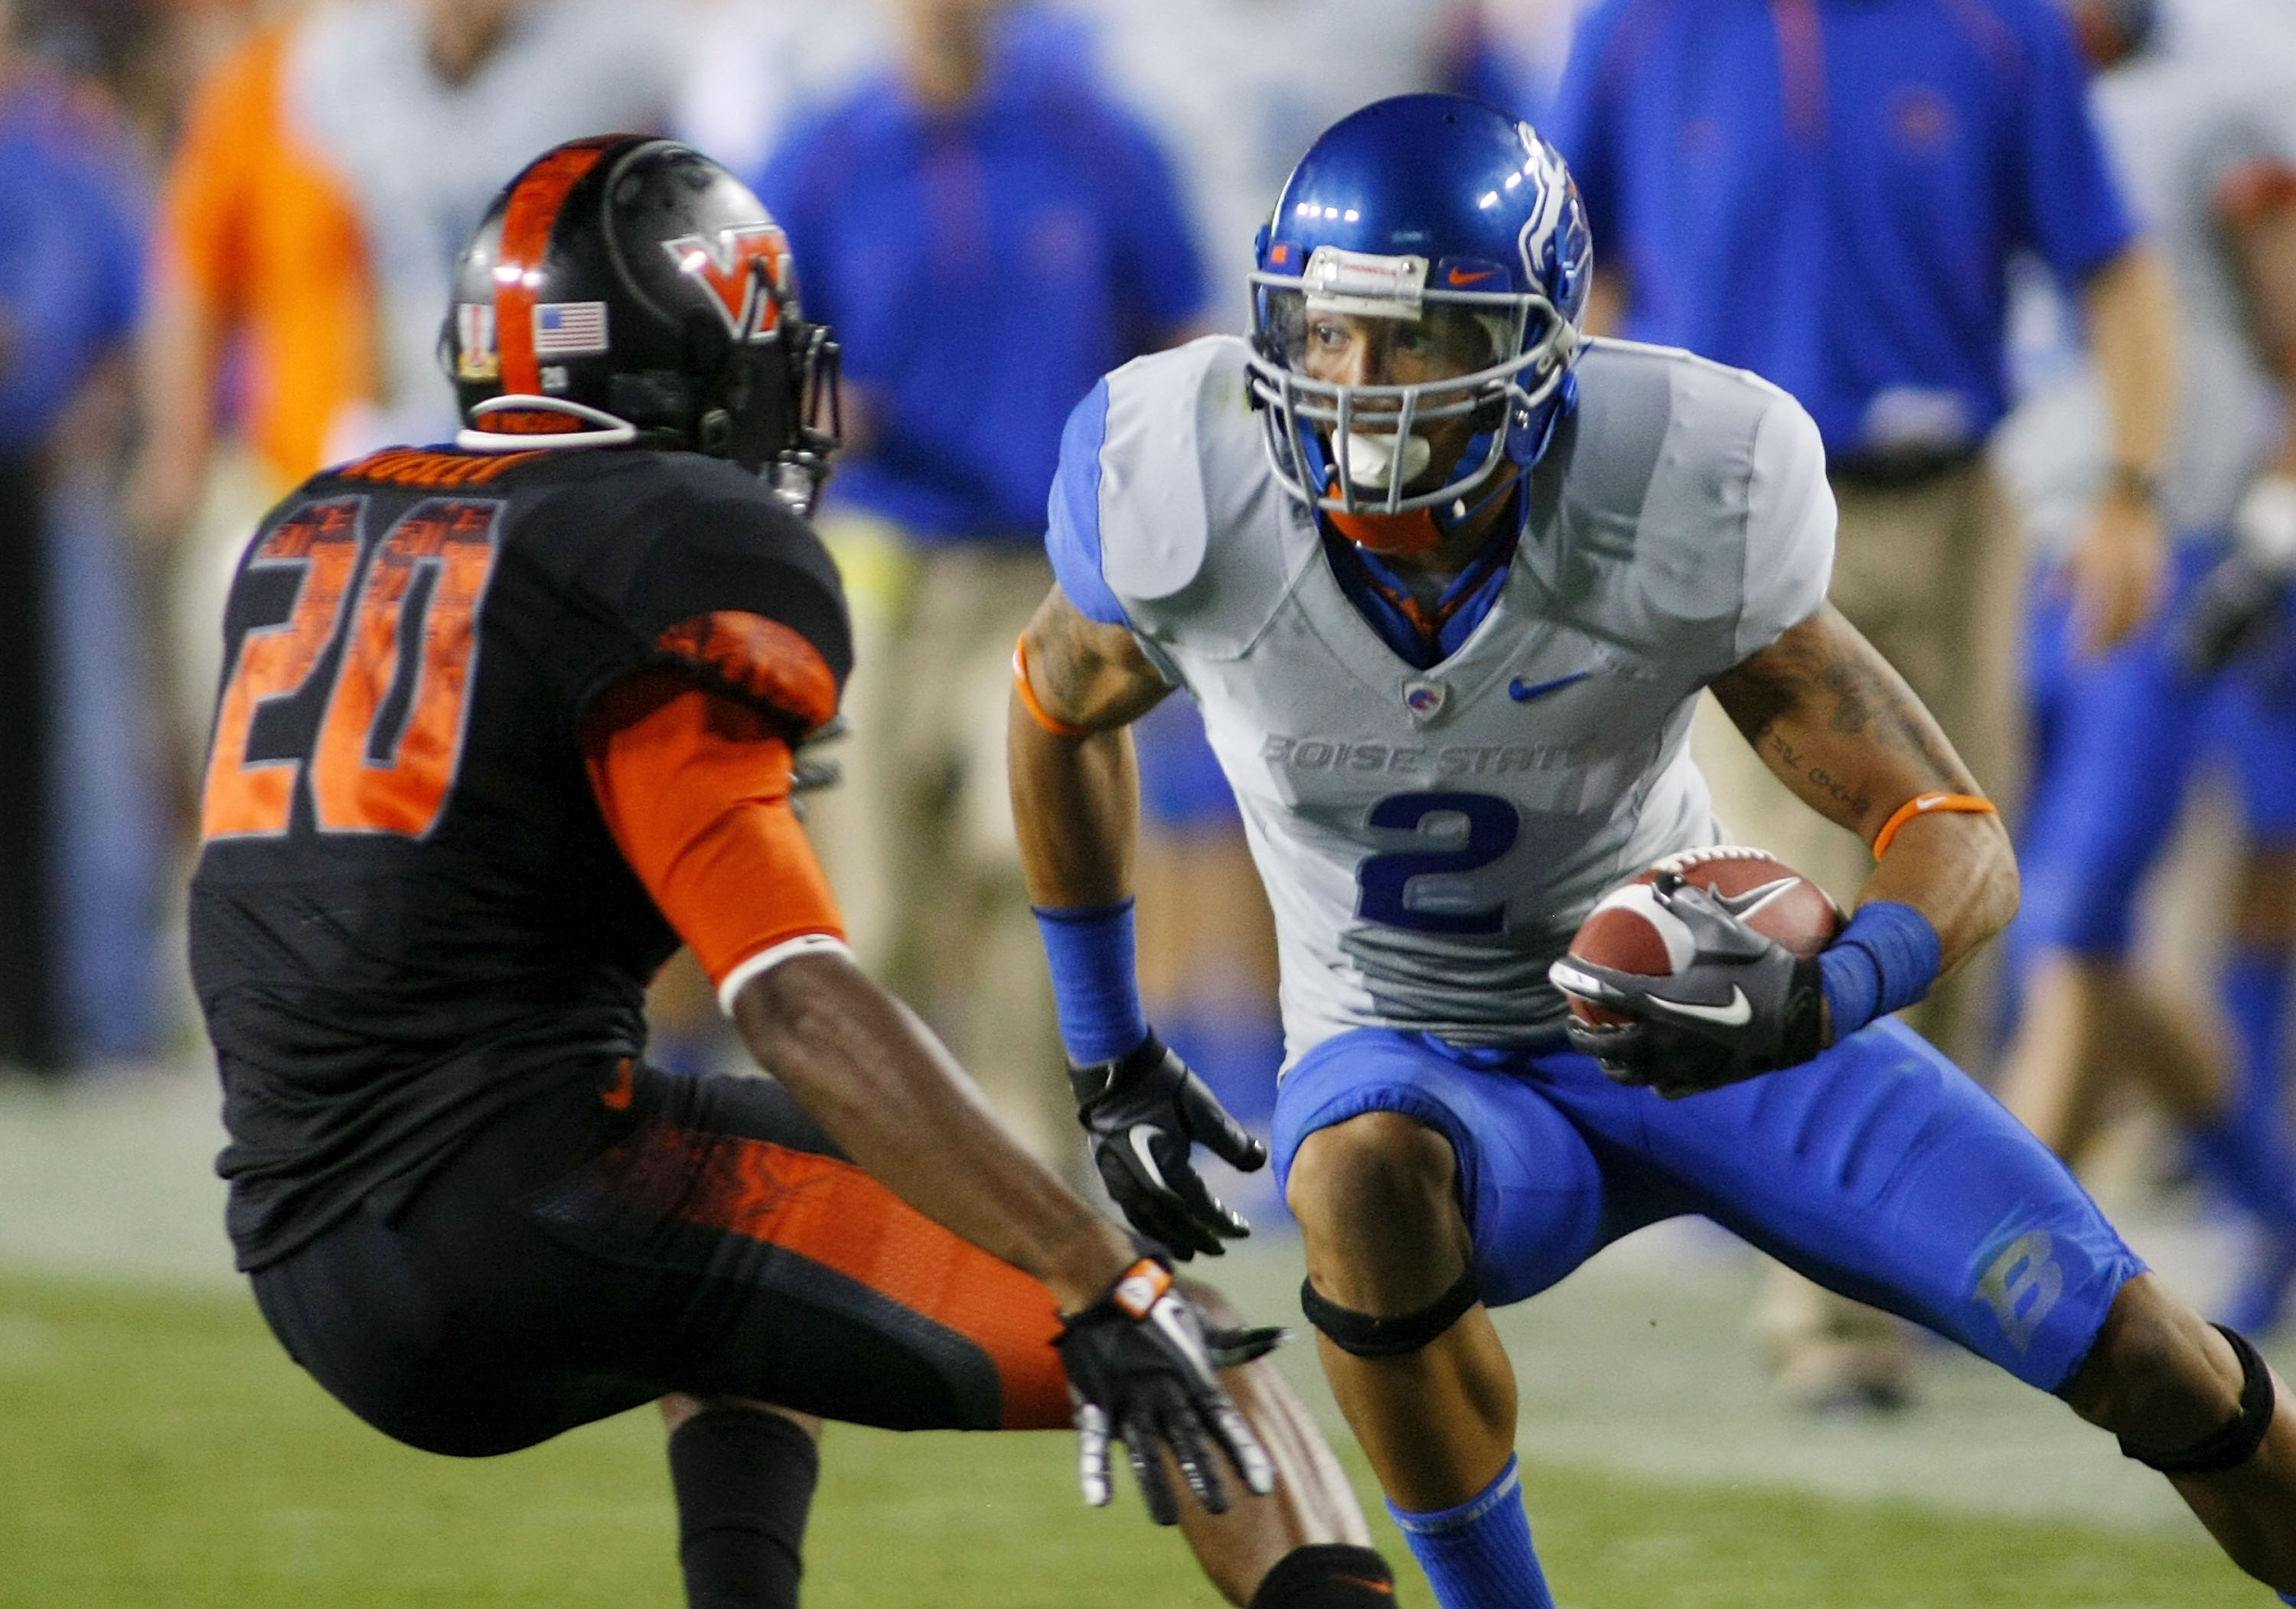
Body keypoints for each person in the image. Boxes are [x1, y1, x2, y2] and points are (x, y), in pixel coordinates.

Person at [1009, 95, 2296, 1608]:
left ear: (1539, 351)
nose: (1359, 388)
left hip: (1712, 1021)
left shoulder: (1670, 478)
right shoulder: (1191, 484)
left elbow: (1952, 836)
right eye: (1327, 333)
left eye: (1419, 339)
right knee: (1354, 1172)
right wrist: (1110, 1054)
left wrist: (1826, 990)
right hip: (1416, 1056)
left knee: (2150, 1358)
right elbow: (1051, 710)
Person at [186, 135, 1396, 1609]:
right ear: (693, 357)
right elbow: (795, 1000)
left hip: (303, 1251)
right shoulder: (660, 543)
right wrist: (1095, 1269)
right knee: (1189, 1346)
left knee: (749, 1189)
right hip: (521, 1206)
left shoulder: (315, 526)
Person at [1541, 0, 2181, 1406]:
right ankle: (1826, 1321)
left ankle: (1910, 1262)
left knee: (1953, 887)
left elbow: (2114, 266)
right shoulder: (1640, 29)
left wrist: (2134, 489)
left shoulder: (2001, 27)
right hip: (1724, 516)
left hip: (1950, 512)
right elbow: (1569, 277)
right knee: (1796, 894)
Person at [752, 0, 1213, 1161]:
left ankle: (1034, 1159)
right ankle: (885, 1175)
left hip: (1043, 562)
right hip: (881, 565)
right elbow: (755, 358)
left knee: (1030, 856)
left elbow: (1179, 334)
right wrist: (819, 415)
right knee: (881, 908)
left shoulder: (1096, 138)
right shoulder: (824, 153)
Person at [1991, 0, 2296, 1334]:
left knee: (2071, 911)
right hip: (2032, 548)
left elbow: (2291, 317)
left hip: (2163, 544)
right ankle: (2282, 1210)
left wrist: (2269, 523)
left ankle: (1996, 1261)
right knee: (2077, 940)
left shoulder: (2201, 107)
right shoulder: (1989, 91)